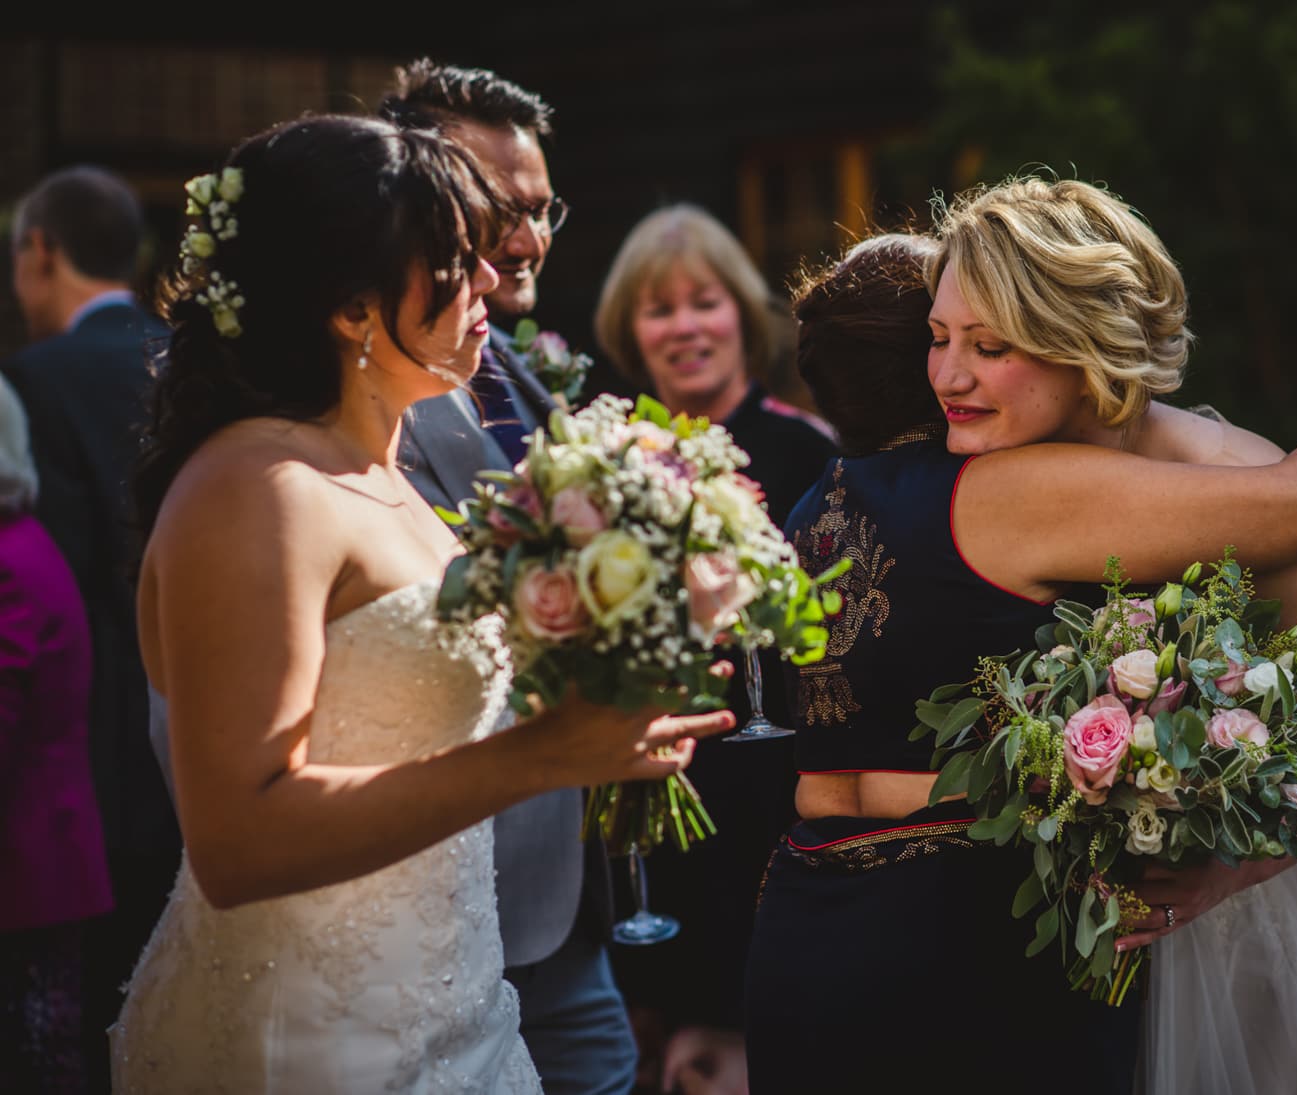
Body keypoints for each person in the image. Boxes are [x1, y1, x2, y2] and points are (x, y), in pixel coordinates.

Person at [108, 113, 731, 1092]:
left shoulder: (389, 475)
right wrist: (540, 757)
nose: (489, 277)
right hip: (310, 1031)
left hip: (459, 1007)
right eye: (453, 258)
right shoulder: (255, 490)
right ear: (353, 309)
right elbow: (235, 839)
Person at [742, 211, 1297, 1094]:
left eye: (988, 345)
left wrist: (1222, 851)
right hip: (906, 944)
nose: (947, 373)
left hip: (859, 936)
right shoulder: (977, 491)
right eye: (937, 341)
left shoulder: (825, 508)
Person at [376, 60, 641, 1094]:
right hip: (431, 904)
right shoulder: (360, 409)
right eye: (503, 210)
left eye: (543, 210)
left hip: (571, 910)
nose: (529, 243)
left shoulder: (524, 372)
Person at [591, 202, 837, 1093]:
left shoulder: (809, 451)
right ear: (632, 330)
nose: (686, 326)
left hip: (770, 792)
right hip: (645, 789)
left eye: (704, 301)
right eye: (661, 310)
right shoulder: (603, 464)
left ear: (741, 311)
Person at [2, 163, 181, 1091]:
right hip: (198, 745)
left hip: (85, 765)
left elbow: (52, 589)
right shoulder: (183, 357)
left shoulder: (33, 378)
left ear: (40, 251)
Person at [0, 375, 114, 1092]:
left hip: (30, 860)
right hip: (37, 856)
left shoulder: (9, 559)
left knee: (37, 1060)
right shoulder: (21, 540)